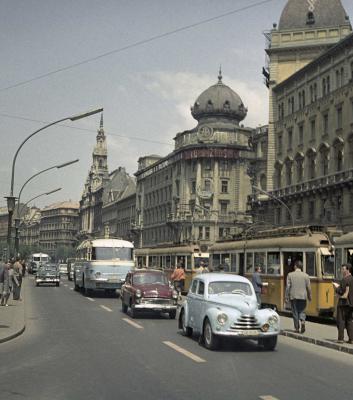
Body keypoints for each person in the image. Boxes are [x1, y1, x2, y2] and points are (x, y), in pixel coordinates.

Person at [285, 260, 312, 333]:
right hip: (303, 296)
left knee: (295, 312)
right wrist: (310, 296)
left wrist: (286, 297)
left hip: (293, 296)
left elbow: (288, 287)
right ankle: (303, 321)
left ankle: (296, 328)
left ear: (295, 266)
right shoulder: (306, 276)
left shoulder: (290, 275)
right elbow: (309, 287)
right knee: (302, 311)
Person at [333, 264, 353, 344]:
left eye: (343, 269)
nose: (342, 271)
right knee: (349, 321)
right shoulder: (352, 279)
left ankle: (340, 339)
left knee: (341, 320)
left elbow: (341, 291)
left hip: (343, 304)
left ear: (348, 270)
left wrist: (336, 288)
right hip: (351, 304)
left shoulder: (345, 280)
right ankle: (351, 339)